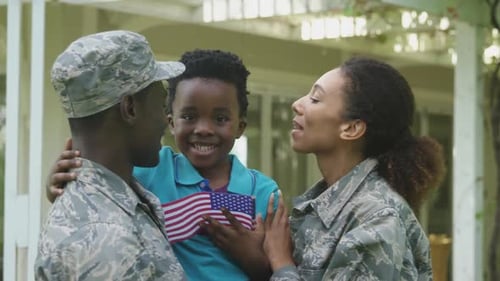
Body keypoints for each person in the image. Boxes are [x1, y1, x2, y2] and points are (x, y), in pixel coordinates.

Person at [45, 49, 278, 281]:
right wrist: (60, 181)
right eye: (188, 116)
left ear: (240, 126)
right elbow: (101, 187)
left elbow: (284, 267)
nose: (204, 129)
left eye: (220, 119)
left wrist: (254, 260)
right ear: (171, 122)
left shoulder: (264, 193)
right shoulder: (150, 171)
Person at [259, 57, 446, 280]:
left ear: (351, 128)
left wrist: (282, 264)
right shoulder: (329, 206)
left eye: (315, 99)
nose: (297, 104)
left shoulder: (376, 219)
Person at [35, 30, 187, 280]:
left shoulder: (109, 207)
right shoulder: (107, 239)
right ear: (130, 108)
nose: (166, 121)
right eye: (161, 105)